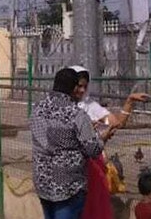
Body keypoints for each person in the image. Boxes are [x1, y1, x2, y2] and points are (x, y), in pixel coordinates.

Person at [32, 68, 122, 219]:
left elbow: (48, 139)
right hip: (67, 185)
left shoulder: (38, 109)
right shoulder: (76, 114)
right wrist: (103, 136)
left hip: (42, 180)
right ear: (73, 88)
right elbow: (93, 149)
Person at [67, 66, 150, 219]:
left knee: (95, 207)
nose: (81, 90)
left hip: (95, 163)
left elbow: (116, 122)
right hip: (72, 168)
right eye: (78, 85)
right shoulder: (60, 107)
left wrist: (129, 102)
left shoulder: (90, 106)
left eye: (85, 86)